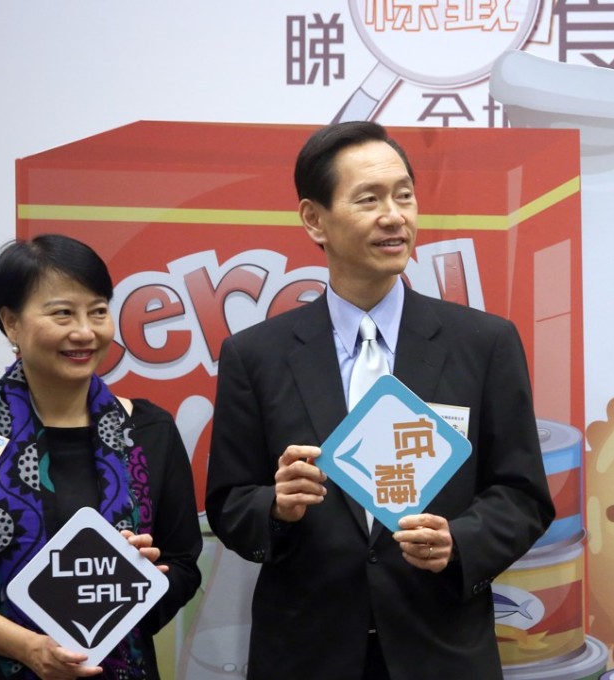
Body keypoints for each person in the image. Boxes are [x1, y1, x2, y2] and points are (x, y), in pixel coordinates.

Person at [204, 121, 554, 679]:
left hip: (440, 652)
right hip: (307, 655)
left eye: (404, 196)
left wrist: (459, 541)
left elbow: (523, 495)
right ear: (314, 219)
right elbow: (228, 503)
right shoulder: (256, 355)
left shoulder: (483, 343)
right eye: (369, 199)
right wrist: (276, 505)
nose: (394, 216)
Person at [0, 234, 202, 679]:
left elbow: (182, 564)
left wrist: (139, 580)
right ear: (11, 323)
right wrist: (29, 648)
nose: (85, 332)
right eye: (62, 313)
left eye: (98, 311)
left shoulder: (150, 430)